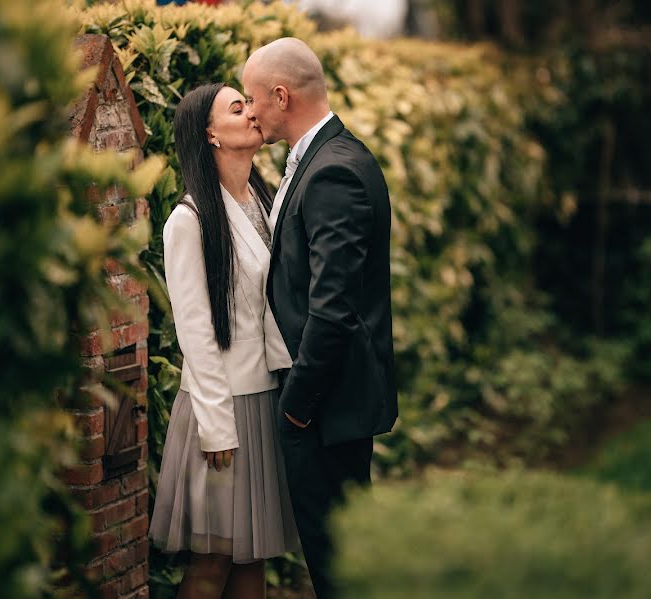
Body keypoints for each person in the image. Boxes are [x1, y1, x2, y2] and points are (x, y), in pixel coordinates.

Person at [242, 38, 399, 599]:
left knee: (337, 562)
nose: (250, 110)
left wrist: (298, 408)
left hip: (327, 406)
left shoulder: (333, 172)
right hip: (327, 401)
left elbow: (333, 308)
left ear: (280, 96)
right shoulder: (326, 157)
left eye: (253, 98)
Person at [148, 83, 299, 599]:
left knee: (252, 558)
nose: (253, 113)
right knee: (212, 563)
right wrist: (216, 426)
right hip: (220, 411)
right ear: (210, 134)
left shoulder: (264, 199)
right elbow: (194, 331)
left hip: (264, 401)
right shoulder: (188, 221)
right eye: (238, 108)